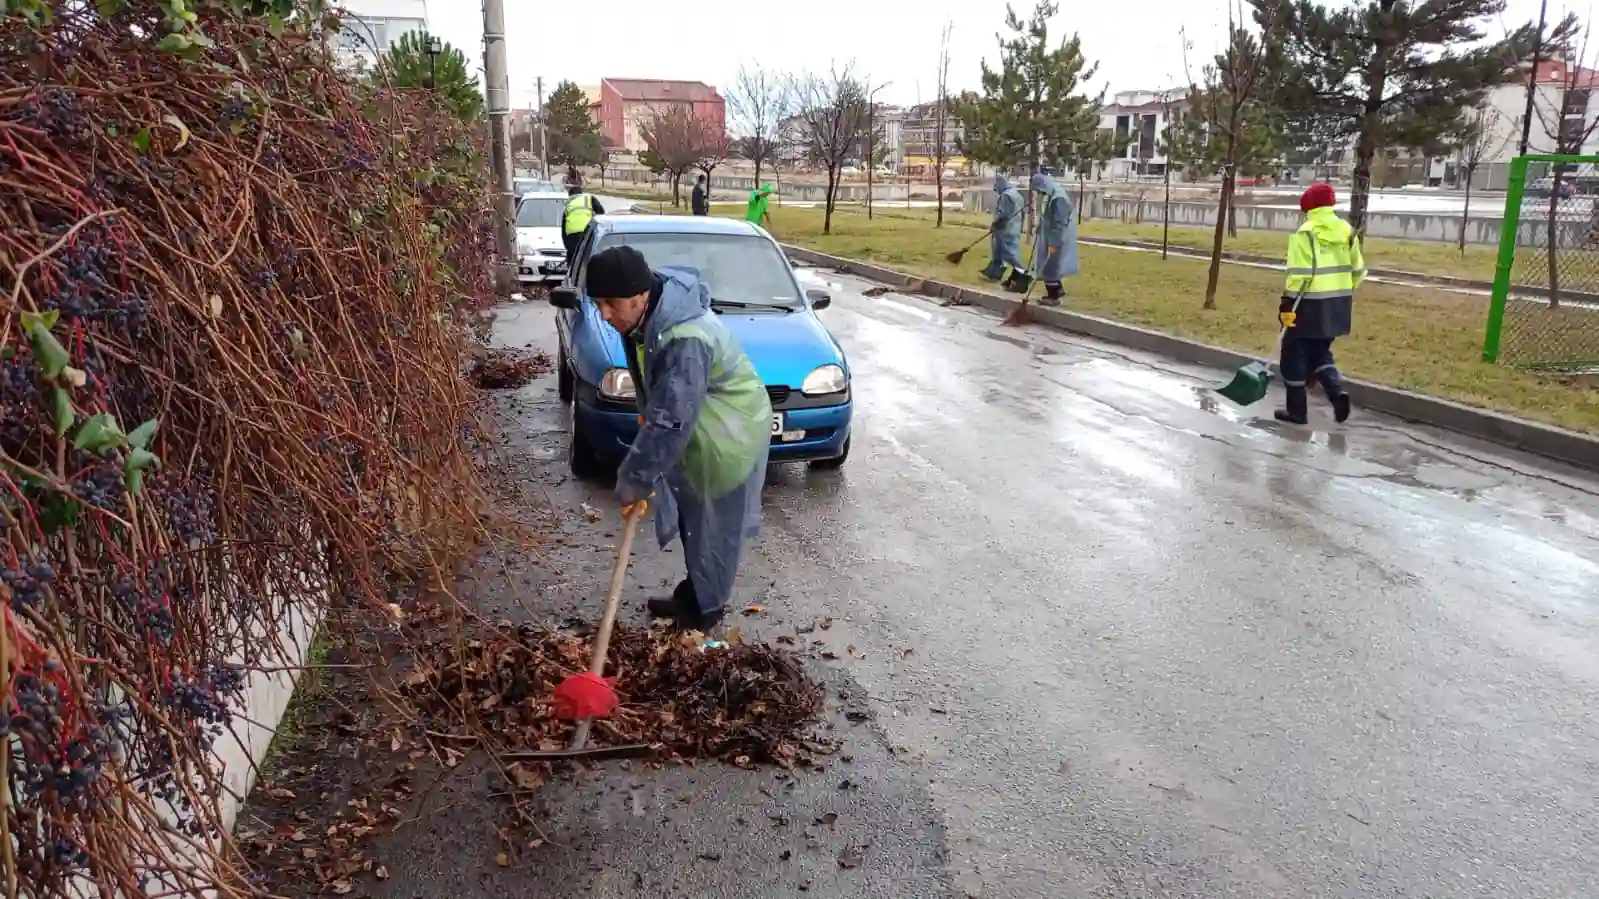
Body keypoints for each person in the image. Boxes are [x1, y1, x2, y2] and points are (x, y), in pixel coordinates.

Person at [583, 245, 772, 631]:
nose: (604, 314)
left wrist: (636, 476)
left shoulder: (684, 337)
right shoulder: (648, 315)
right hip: (704, 423)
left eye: (610, 303)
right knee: (693, 519)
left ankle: (704, 616)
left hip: (727, 435)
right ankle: (693, 594)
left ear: (640, 296)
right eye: (598, 303)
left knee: (713, 530)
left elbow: (671, 421)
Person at [1277, 182, 1360, 425]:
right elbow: (1359, 270)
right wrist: (1340, 292)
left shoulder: (1306, 232)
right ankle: (1336, 393)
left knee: (1293, 354)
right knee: (1320, 352)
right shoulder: (1347, 230)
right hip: (1338, 305)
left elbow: (1300, 275)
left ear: (1309, 207)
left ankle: (1297, 412)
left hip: (1307, 305)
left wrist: (1286, 304)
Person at [1029, 171, 1079, 307]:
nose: (1038, 193)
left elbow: (1058, 224)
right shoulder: (1049, 193)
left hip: (1057, 236)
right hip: (1048, 234)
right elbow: (1047, 215)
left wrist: (1054, 243)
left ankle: (1053, 297)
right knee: (1048, 265)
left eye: (1038, 189)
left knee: (1050, 266)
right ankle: (1057, 290)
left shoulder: (1058, 198)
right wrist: (1040, 226)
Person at [979, 175, 1030, 293]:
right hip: (1014, 228)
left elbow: (1003, 213)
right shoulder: (1016, 194)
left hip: (1005, 229)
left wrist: (995, 224)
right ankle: (993, 273)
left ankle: (1023, 272)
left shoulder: (1006, 196)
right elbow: (1022, 213)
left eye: (996, 186)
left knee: (1008, 254)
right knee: (1000, 252)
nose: (995, 188)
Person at [562, 185, 606, 265]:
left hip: (571, 235)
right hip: (586, 233)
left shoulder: (568, 205)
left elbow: (563, 230)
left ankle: (571, 273)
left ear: (570, 195)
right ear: (582, 193)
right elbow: (602, 214)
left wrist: (568, 248)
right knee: (589, 255)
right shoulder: (589, 199)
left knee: (573, 258)